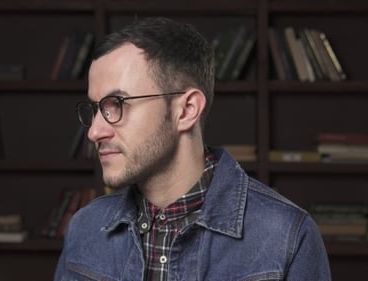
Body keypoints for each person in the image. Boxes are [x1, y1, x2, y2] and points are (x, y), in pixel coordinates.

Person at [55, 17, 331, 280]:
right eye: (95, 108)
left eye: (117, 104)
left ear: (186, 110)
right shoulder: (85, 227)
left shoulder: (287, 236)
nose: (94, 131)